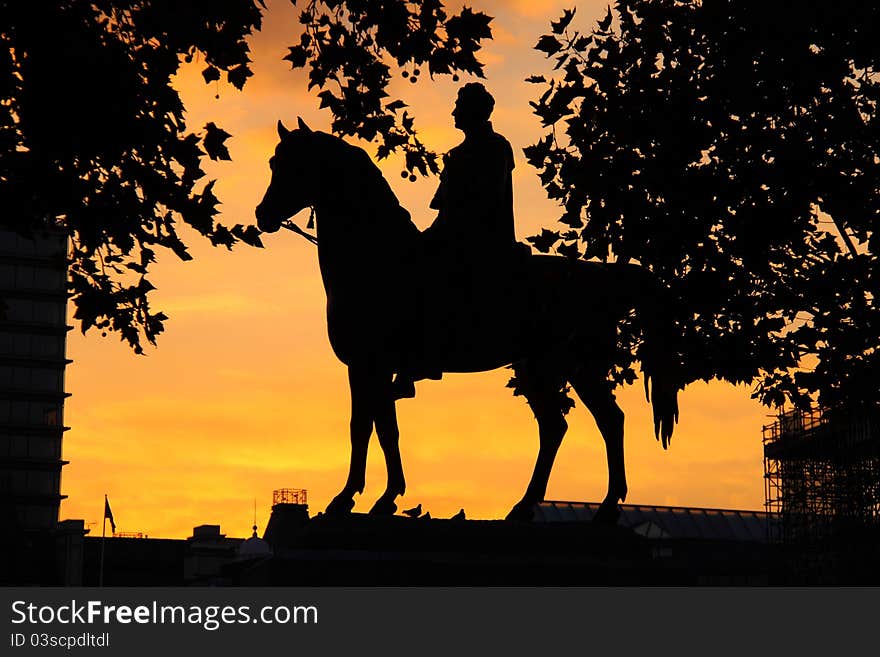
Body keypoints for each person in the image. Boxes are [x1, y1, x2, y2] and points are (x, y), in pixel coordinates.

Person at [393, 83, 520, 399]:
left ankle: (422, 358)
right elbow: (445, 209)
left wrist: (442, 235)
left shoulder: (495, 148)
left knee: (432, 280)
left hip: (482, 241)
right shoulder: (458, 155)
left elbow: (485, 202)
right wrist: (429, 236)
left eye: (458, 106)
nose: (453, 112)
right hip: (452, 235)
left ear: (473, 111)